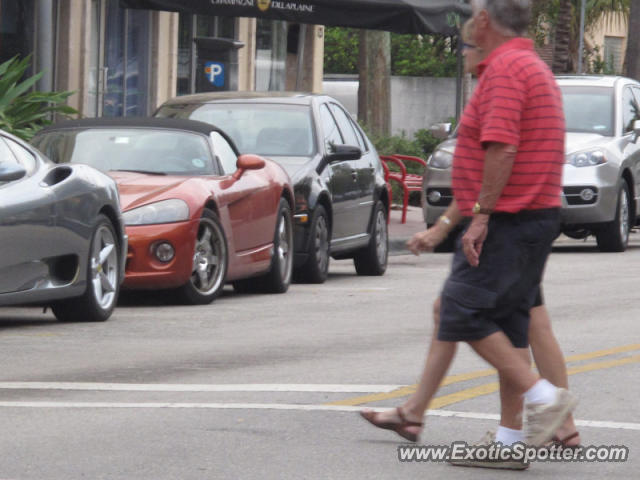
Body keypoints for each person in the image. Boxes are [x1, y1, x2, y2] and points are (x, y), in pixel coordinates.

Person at [361, 0, 577, 463]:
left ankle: (546, 401)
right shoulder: (529, 66)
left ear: (484, 21)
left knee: (461, 310)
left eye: (469, 16)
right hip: (530, 216)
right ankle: (508, 443)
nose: (463, 27)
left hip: (510, 220)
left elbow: (501, 149)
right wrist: (445, 226)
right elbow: (489, 159)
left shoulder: (505, 71)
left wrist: (479, 216)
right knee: (509, 324)